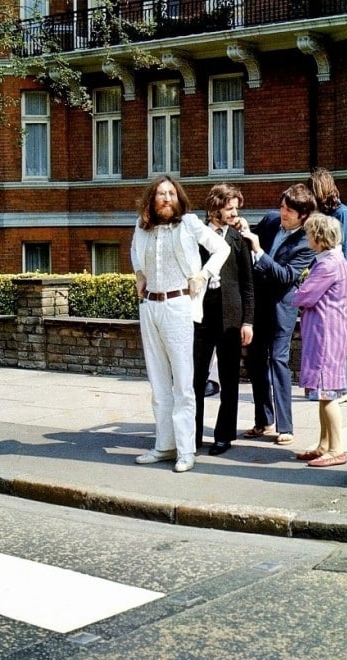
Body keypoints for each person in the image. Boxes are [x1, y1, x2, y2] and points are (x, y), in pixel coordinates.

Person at [131, 175, 230, 472]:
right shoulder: (142, 225)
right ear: (152, 198)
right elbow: (135, 251)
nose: (165, 198)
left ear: (178, 198)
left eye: (170, 193)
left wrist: (203, 274)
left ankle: (186, 451)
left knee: (184, 385)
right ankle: (164, 445)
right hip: (150, 306)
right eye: (160, 193)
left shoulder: (188, 223)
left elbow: (221, 248)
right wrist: (138, 274)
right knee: (158, 382)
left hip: (178, 306)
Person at [240, 184, 317, 446]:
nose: (283, 213)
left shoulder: (306, 242)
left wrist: (259, 251)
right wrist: (243, 228)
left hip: (281, 308)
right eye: (283, 206)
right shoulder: (271, 220)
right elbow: (249, 237)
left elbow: (285, 276)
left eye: (290, 210)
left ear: (303, 215)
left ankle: (286, 427)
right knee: (255, 362)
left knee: (279, 363)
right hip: (257, 306)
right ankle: (263, 421)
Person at [193, 183, 254, 456]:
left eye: (236, 208)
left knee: (229, 379)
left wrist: (248, 322)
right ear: (215, 208)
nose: (234, 213)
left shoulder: (238, 238)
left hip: (231, 316)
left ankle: (223, 435)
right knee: (195, 379)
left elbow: (247, 284)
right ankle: (192, 435)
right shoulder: (196, 235)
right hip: (200, 314)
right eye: (230, 208)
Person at [293, 213, 347, 466]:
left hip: (325, 334)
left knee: (327, 393)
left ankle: (336, 449)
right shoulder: (335, 260)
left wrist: (297, 289)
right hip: (329, 331)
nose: (306, 237)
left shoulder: (328, 265)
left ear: (318, 236)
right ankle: (324, 444)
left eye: (309, 233)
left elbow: (304, 296)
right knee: (322, 392)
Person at [307, 167, 347, 404]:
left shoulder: (343, 215)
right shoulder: (322, 215)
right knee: (327, 339)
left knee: (333, 337)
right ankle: (335, 386)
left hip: (337, 284)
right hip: (326, 280)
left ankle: (342, 387)